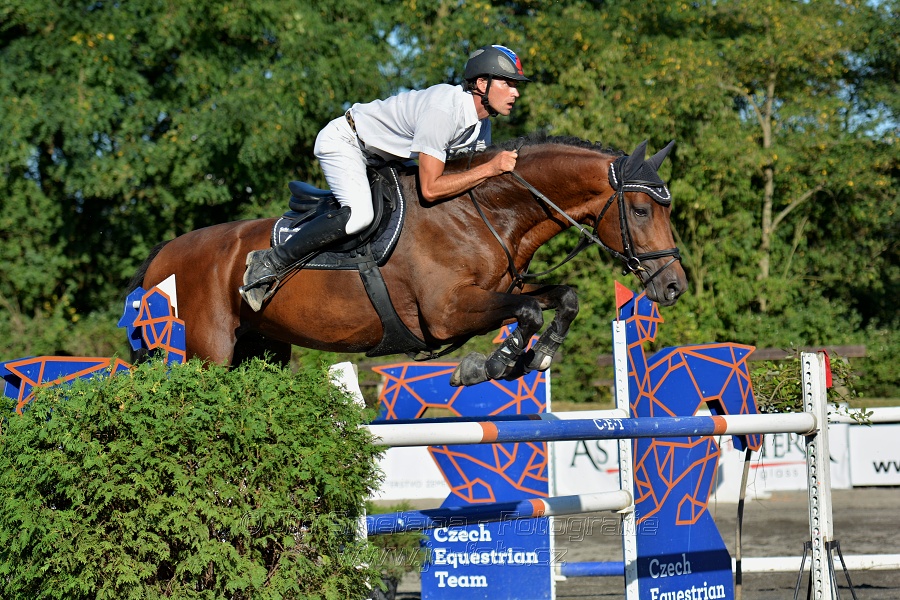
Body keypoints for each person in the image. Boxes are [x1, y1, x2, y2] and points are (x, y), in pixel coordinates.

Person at [240, 44, 530, 311]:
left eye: (516, 85)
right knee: (359, 217)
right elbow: (430, 189)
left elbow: (467, 180)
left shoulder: (481, 124)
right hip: (347, 141)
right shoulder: (443, 111)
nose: (515, 93)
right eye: (508, 83)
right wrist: (490, 168)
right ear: (482, 84)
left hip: (385, 158)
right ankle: (269, 261)